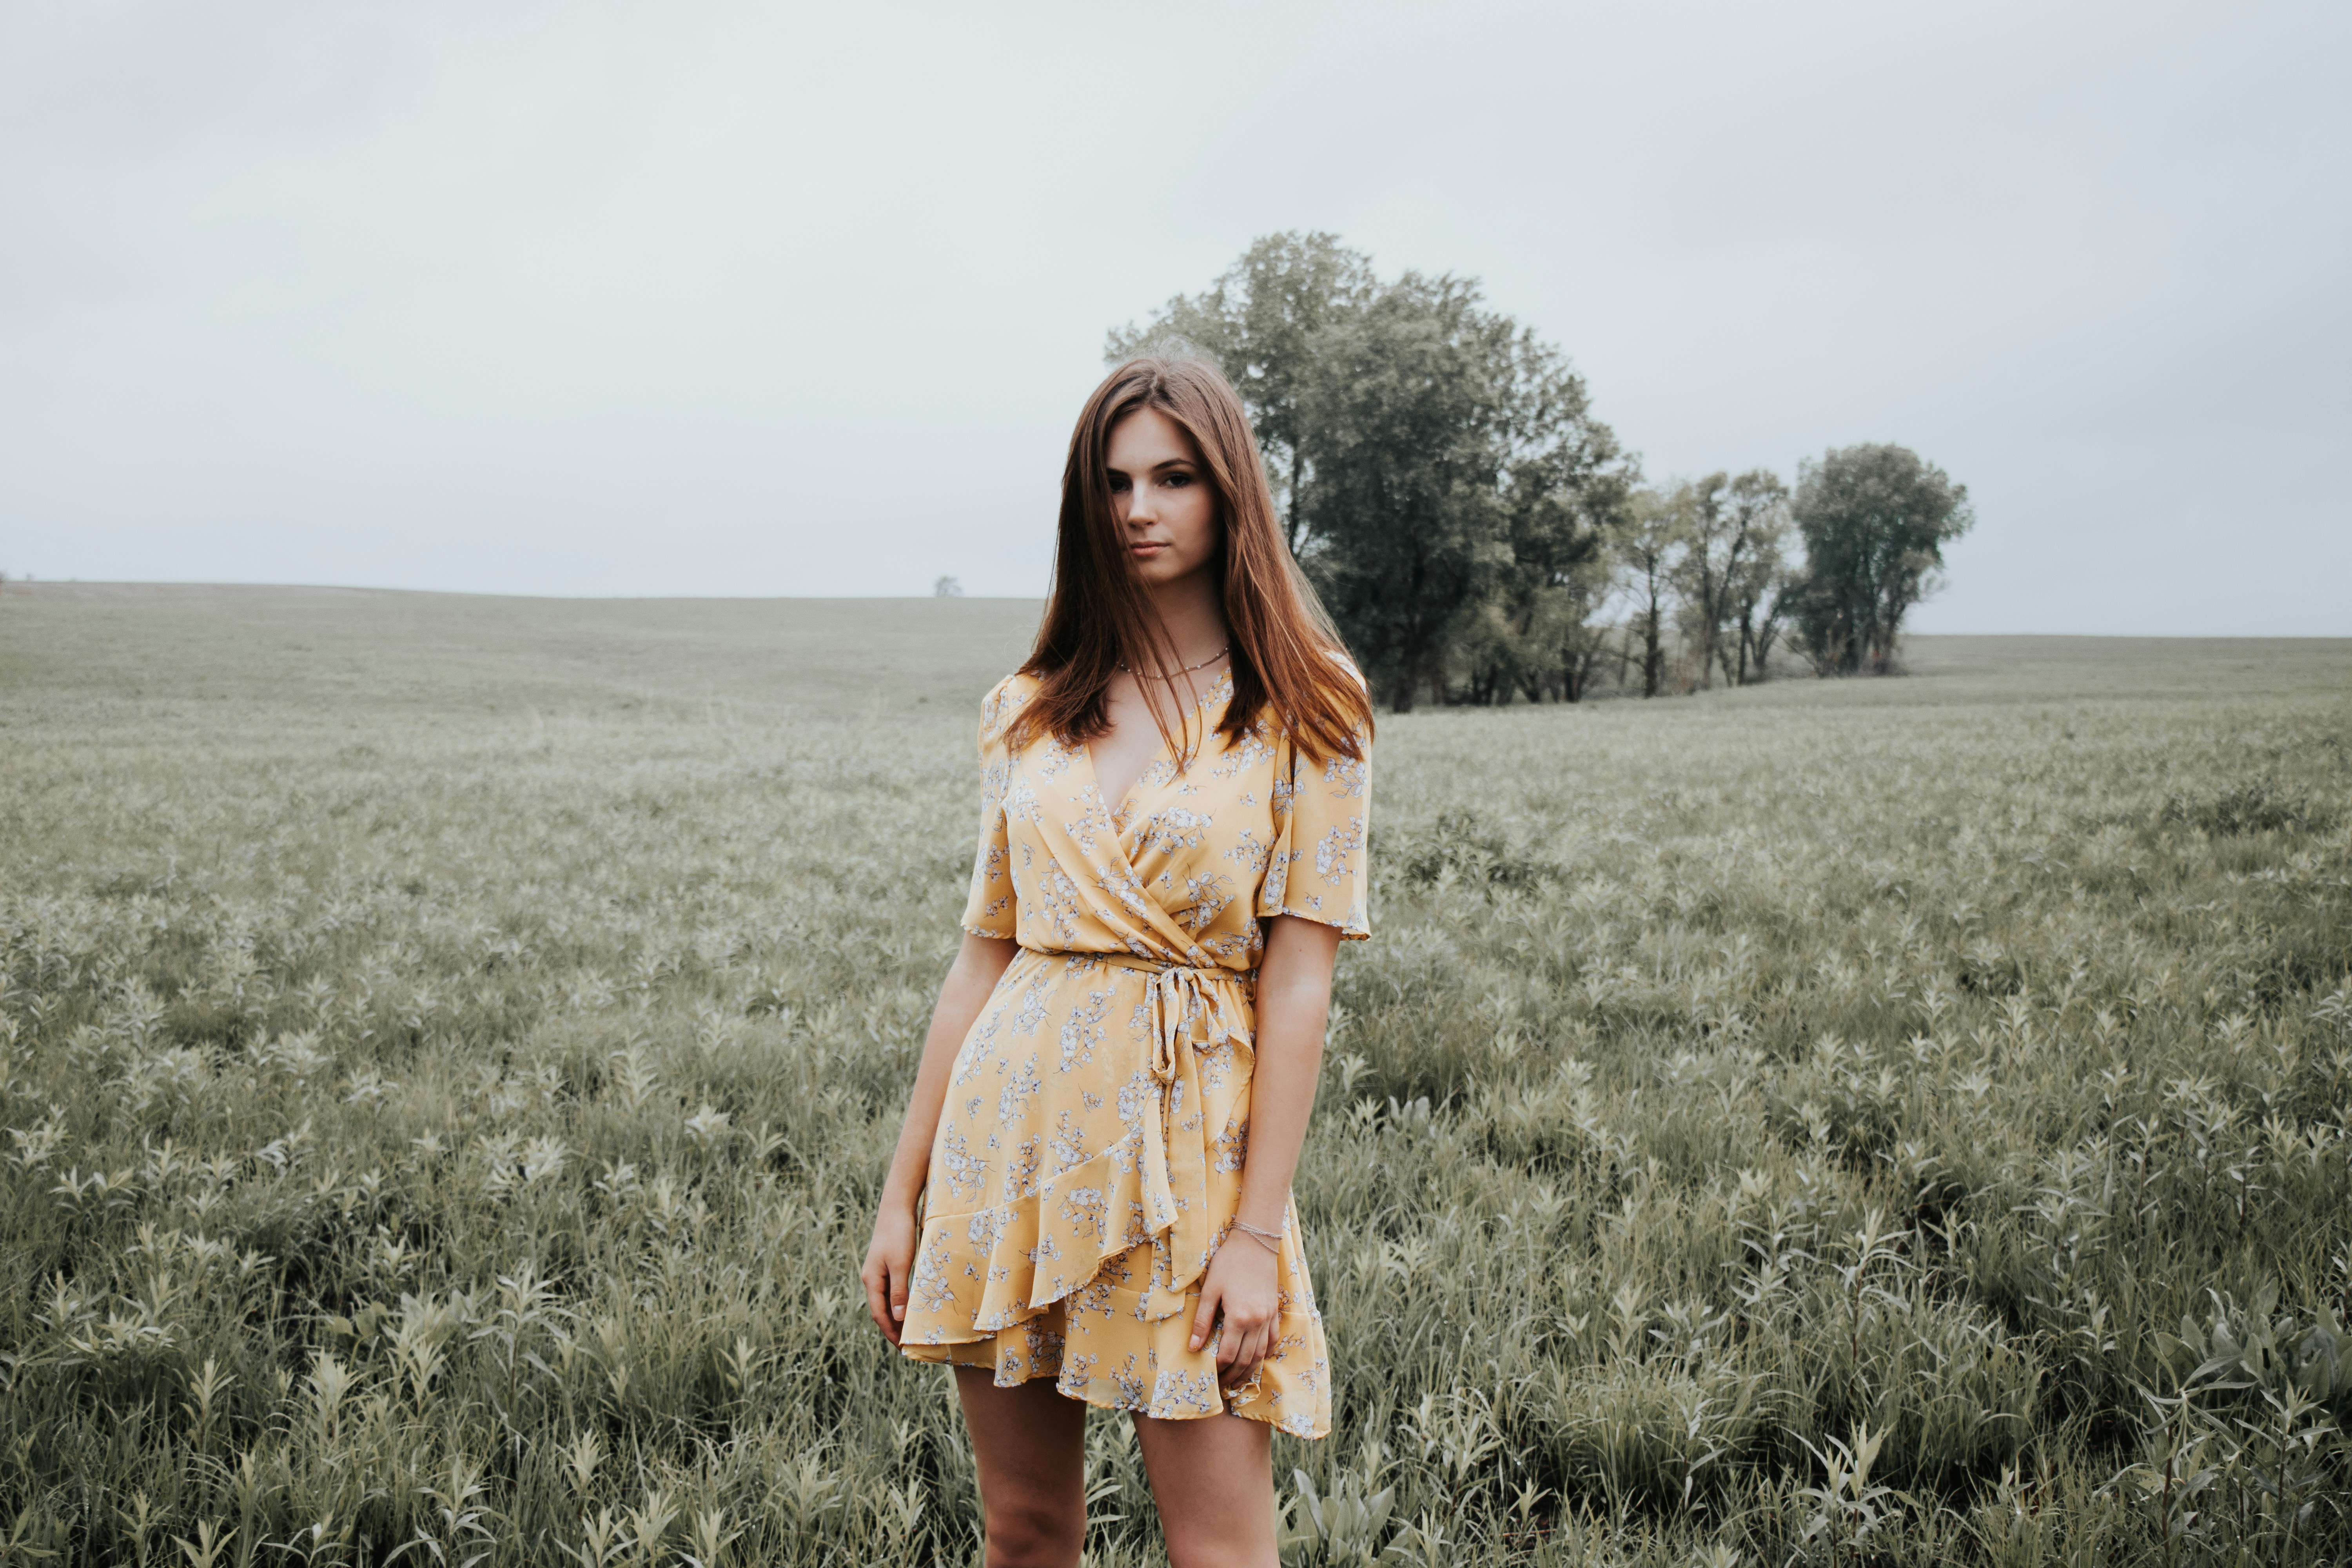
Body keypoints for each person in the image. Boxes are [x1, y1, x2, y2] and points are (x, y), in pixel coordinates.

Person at [860, 356, 1375, 1567]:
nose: (1137, 507)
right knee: (1026, 1534)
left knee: (1220, 1551)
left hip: (1194, 1155)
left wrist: (1255, 1237)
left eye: (1173, 477)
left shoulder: (1310, 704)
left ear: (1230, 492)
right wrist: (901, 1195)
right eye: (1112, 483)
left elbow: (1299, 984)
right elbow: (983, 959)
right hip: (1012, 1141)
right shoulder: (1028, 705)